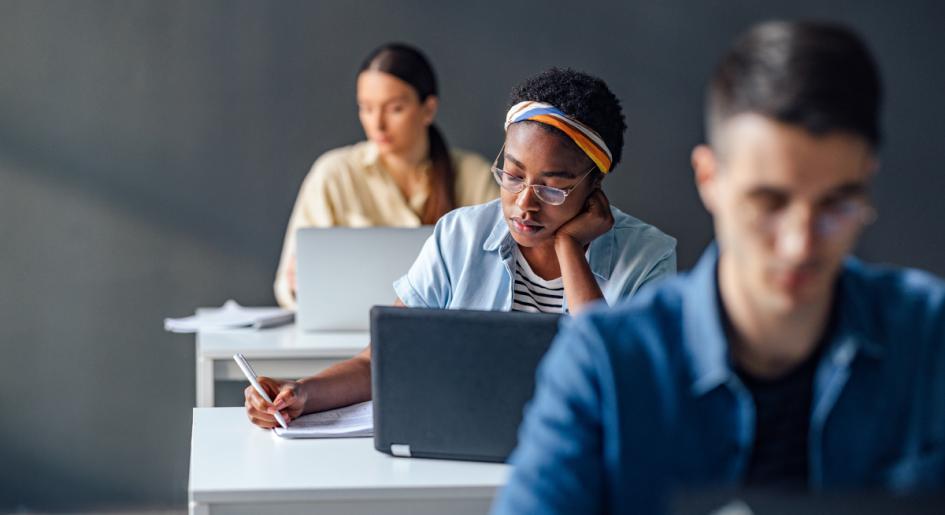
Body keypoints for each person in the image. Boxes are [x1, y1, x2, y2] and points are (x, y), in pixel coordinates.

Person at [494, 21, 945, 514]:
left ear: (866, 181)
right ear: (709, 179)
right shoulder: (604, 364)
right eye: (768, 202)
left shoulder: (929, 337)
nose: (798, 245)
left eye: (837, 205)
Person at [246, 68, 677, 427]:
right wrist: (301, 393)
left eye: (553, 188)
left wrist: (570, 248)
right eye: (512, 174)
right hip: (466, 443)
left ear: (594, 185)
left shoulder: (649, 257)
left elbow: (625, 383)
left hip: (585, 454)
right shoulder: (460, 235)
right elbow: (384, 360)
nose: (524, 203)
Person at [274, 43, 498, 309]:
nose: (377, 123)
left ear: (428, 109)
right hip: (347, 332)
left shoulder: (474, 176)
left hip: (447, 333)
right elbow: (285, 288)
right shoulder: (333, 174)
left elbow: (505, 268)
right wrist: (298, 286)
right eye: (366, 108)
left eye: (395, 109)